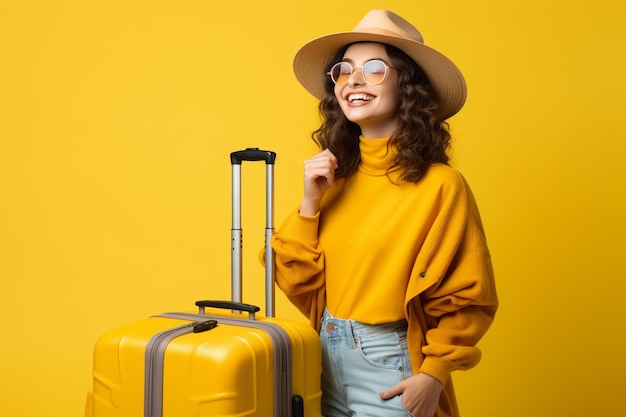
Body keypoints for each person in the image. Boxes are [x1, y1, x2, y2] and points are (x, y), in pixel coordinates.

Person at [269, 9, 498, 417]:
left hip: (390, 361)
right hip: (322, 354)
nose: (353, 80)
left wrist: (434, 373)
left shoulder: (441, 185)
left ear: (407, 86)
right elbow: (293, 279)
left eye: (375, 69)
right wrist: (309, 204)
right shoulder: (333, 180)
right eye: (344, 70)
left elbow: (470, 294)